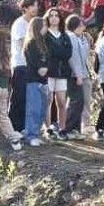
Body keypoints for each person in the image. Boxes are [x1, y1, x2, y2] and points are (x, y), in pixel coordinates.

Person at [7, 0, 38, 134]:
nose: (36, 8)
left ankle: (23, 127)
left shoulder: (32, 24)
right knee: (18, 97)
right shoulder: (20, 24)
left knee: (27, 97)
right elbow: (23, 45)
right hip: (20, 64)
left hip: (30, 65)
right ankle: (13, 128)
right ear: (25, 8)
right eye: (33, 6)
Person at [43, 9, 73, 140]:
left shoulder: (64, 35)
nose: (54, 18)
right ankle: (48, 128)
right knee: (48, 100)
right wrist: (59, 51)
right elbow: (48, 52)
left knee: (61, 101)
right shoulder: (45, 35)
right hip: (49, 72)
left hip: (62, 72)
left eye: (56, 16)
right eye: (51, 16)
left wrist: (57, 52)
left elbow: (68, 53)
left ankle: (62, 128)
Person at [22, 18, 52, 148]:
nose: (46, 27)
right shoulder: (31, 43)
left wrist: (46, 67)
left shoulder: (45, 43)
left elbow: (49, 60)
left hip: (44, 80)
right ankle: (31, 135)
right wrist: (41, 67)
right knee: (33, 109)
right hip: (33, 80)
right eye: (44, 25)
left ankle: (37, 133)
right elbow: (34, 61)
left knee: (42, 109)